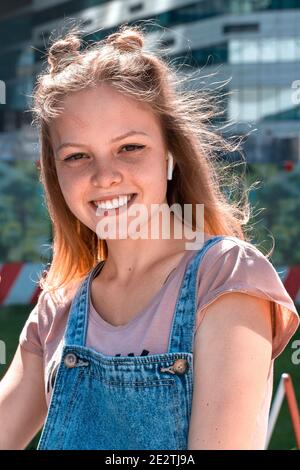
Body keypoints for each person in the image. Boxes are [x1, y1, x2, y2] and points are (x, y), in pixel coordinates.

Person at [0, 22, 299, 451]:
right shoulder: (59, 307)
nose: (104, 176)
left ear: (170, 156)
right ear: (55, 175)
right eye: (77, 156)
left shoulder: (223, 275)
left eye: (130, 147)